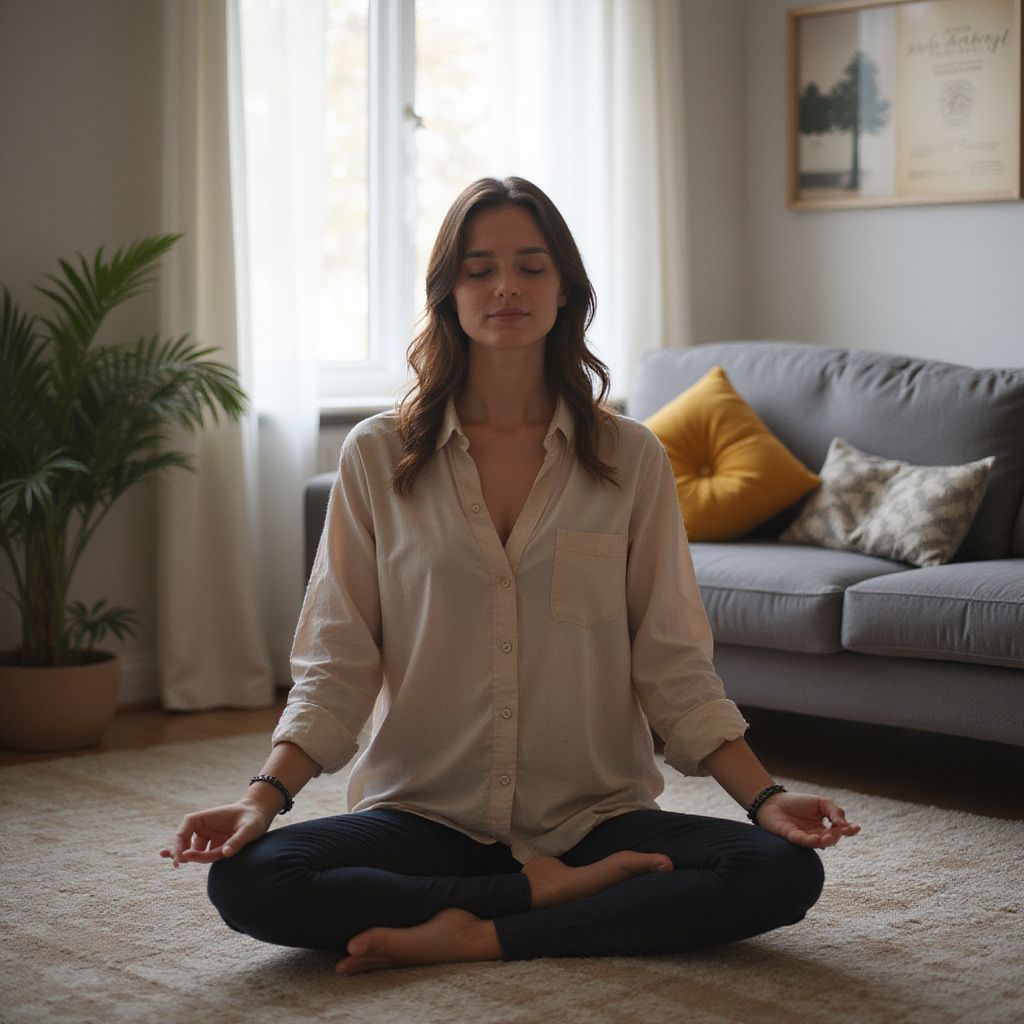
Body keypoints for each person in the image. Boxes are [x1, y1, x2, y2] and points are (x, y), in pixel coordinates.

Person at [161, 176, 859, 975]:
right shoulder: (377, 457)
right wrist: (260, 799)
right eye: (479, 268)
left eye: (531, 266)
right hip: (425, 813)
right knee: (253, 880)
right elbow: (336, 661)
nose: (505, 288)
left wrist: (766, 801)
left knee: (780, 871)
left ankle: (480, 933)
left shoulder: (629, 457)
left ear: (564, 289)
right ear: (447, 291)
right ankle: (549, 902)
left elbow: (671, 659)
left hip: (593, 816)